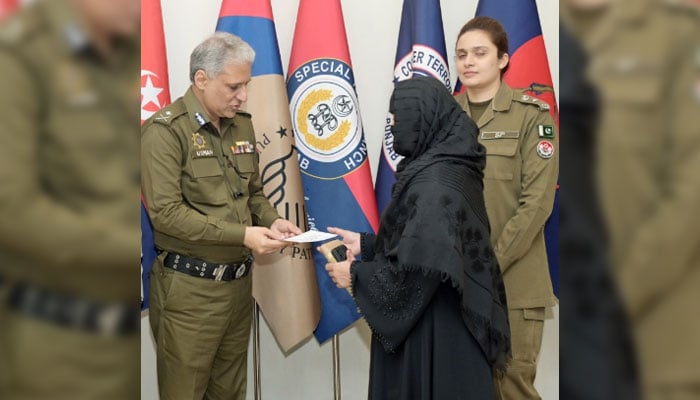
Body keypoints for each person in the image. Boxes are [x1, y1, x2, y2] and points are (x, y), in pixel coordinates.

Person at [325, 76, 510, 400]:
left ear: (421, 118)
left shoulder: (435, 182)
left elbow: (414, 274)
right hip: (447, 328)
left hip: (434, 338)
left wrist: (354, 276)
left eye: (398, 118)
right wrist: (368, 245)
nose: (393, 126)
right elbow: (429, 245)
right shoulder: (447, 166)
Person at [141, 32, 301, 399]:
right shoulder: (165, 132)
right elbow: (165, 214)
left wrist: (271, 219)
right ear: (201, 79)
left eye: (245, 85)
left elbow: (254, 192)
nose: (243, 96)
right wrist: (243, 236)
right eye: (233, 86)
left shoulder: (240, 125)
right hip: (189, 294)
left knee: (230, 393)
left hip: (238, 288)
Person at [0, 0, 140, 398]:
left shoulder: (129, 53)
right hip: (54, 351)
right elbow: (11, 210)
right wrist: (127, 246)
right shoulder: (19, 56)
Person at [560, 1, 700, 398]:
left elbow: (692, 191)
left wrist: (613, 296)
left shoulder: (676, 33)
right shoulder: (539, 38)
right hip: (572, 340)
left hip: (654, 338)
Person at [452, 16, 559, 400]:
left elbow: (537, 203)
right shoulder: (443, 119)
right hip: (456, 285)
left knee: (511, 390)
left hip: (514, 286)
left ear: (503, 59)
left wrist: (487, 265)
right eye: (462, 54)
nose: (469, 62)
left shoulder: (533, 117)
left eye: (480, 53)